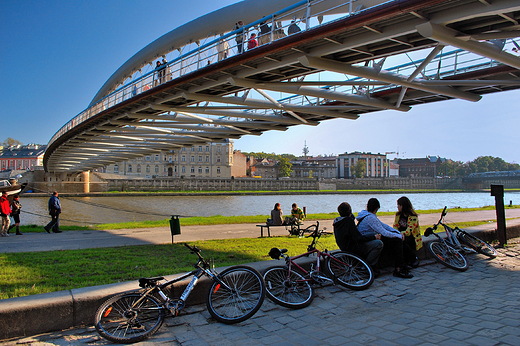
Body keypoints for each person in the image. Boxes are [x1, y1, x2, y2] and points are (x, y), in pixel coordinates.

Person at [357, 198, 414, 278]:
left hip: (368, 239)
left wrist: (397, 233)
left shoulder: (367, 215)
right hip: (367, 241)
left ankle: (402, 264)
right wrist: (399, 235)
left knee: (396, 239)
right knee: (397, 241)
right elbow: (384, 232)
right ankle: (399, 268)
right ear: (377, 208)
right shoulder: (371, 218)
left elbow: (383, 226)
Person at [333, 202, 383, 272]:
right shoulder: (348, 222)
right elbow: (358, 238)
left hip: (344, 247)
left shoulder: (338, 222)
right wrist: (373, 237)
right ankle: (367, 266)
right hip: (353, 248)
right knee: (378, 244)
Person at [393, 196, 421, 268]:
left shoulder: (413, 216)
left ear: (402, 206)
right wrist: (397, 233)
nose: (397, 207)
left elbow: (409, 230)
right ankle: (409, 260)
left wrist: (401, 234)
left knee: (405, 240)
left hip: (411, 237)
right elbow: (395, 225)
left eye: (398, 205)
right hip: (401, 235)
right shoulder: (398, 215)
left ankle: (413, 258)